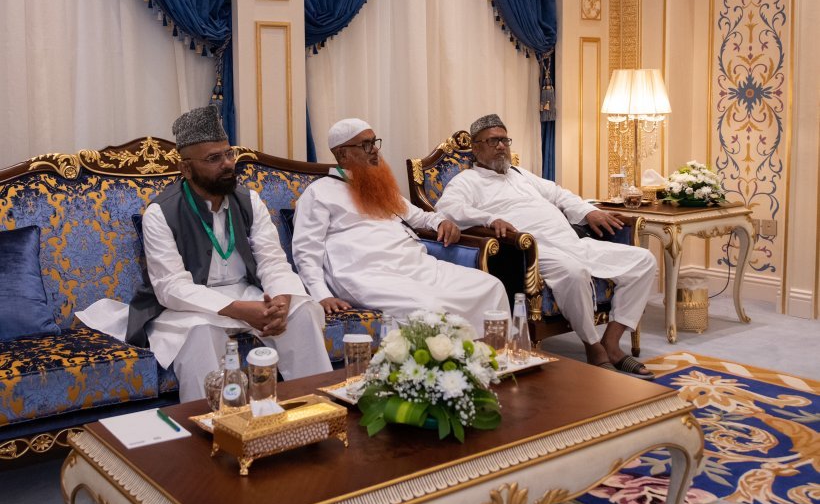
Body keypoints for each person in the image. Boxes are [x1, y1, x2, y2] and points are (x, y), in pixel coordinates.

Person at [77, 105, 331, 401]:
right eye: (213, 158)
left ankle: (318, 409)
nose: (227, 164)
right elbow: (171, 287)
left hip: (248, 294)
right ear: (186, 169)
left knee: (302, 313)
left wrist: (280, 303)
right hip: (188, 305)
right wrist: (240, 310)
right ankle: (210, 423)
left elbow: (273, 262)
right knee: (199, 332)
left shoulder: (250, 201)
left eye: (228, 154)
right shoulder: (160, 212)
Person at [435, 114, 657, 379]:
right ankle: (593, 346)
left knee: (644, 260)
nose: (501, 146)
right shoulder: (467, 181)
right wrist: (489, 219)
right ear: (476, 148)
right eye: (493, 141)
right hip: (537, 250)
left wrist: (589, 212)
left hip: (571, 242)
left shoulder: (519, 174)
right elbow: (448, 208)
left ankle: (612, 343)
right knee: (574, 272)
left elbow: (559, 194)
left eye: (505, 140)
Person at [291, 118, 510, 331]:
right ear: (342, 154)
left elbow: (420, 217)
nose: (375, 150)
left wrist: (441, 221)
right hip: (366, 275)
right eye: (365, 145)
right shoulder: (319, 192)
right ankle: (456, 356)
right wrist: (321, 294)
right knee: (429, 308)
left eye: (374, 142)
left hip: (415, 266)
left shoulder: (378, 188)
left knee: (491, 287)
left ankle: (495, 355)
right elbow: (306, 250)